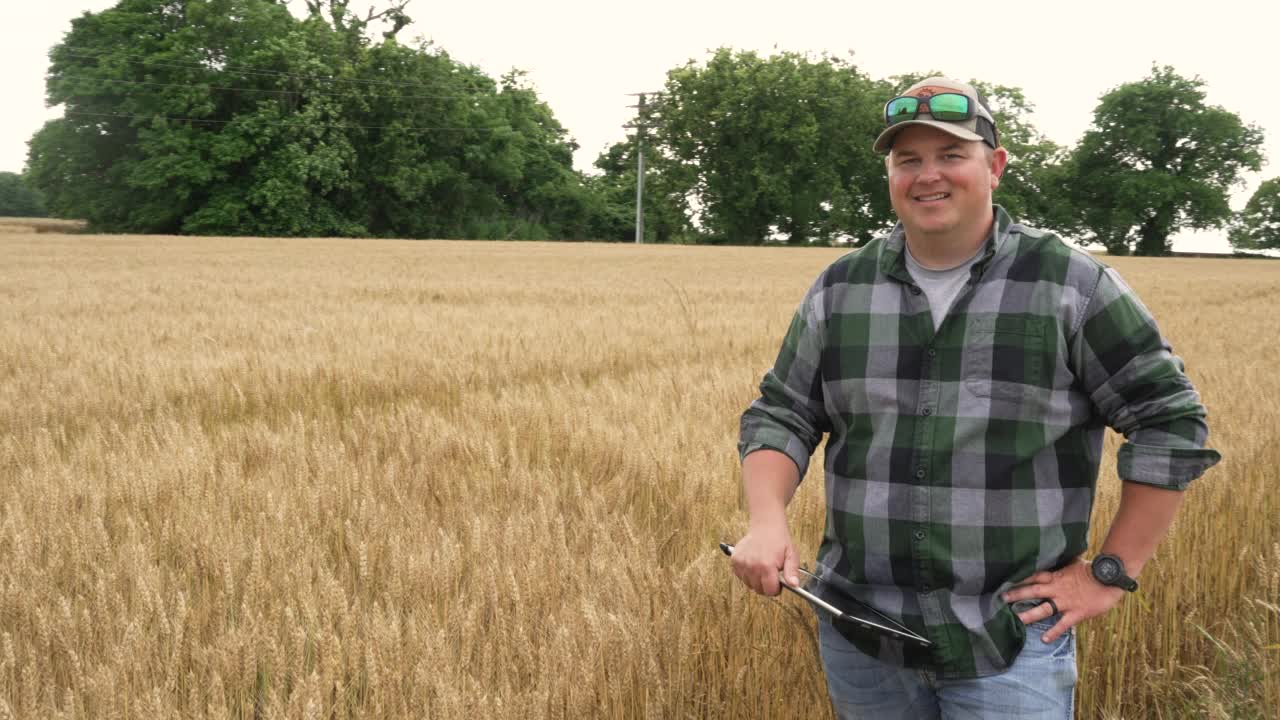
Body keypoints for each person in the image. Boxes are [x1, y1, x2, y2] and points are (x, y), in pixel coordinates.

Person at [730, 77, 1221, 719]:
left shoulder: (1070, 285)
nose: (927, 175)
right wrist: (767, 518)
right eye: (908, 159)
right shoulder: (842, 289)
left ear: (994, 166)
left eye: (951, 155)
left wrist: (1109, 571)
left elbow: (1170, 422)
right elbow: (784, 411)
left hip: (1010, 642)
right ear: (890, 175)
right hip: (862, 636)